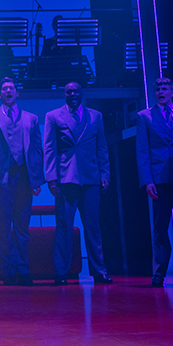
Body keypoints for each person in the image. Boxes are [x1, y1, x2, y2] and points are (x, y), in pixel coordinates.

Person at [0, 77, 44, 286]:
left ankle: (23, 270)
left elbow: (37, 150)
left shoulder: (31, 119)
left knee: (23, 227)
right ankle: (8, 270)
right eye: (4, 88)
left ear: (17, 92)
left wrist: (36, 180)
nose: (8, 91)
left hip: (24, 177)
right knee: (4, 227)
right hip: (2, 179)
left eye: (11, 88)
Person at [43, 82, 112, 285]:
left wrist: (105, 173)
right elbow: (49, 149)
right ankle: (61, 272)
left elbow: (102, 148)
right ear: (64, 94)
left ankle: (99, 271)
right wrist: (51, 178)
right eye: (69, 92)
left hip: (91, 177)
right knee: (64, 226)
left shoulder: (96, 116)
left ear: (81, 94)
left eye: (76, 91)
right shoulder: (53, 116)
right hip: (66, 178)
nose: (72, 94)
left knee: (93, 226)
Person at [135, 77, 173, 287]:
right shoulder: (144, 116)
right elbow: (142, 151)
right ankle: (159, 272)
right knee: (160, 226)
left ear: (172, 91)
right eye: (158, 89)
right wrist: (147, 181)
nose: (161, 92)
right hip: (160, 177)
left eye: (164, 88)